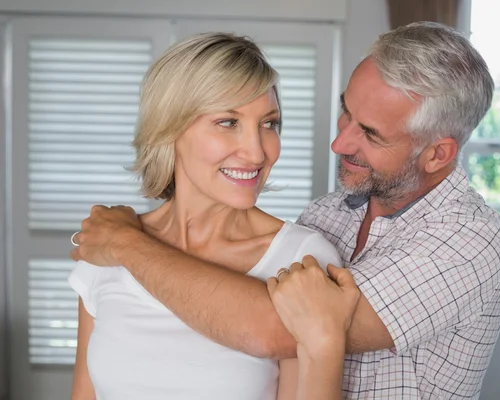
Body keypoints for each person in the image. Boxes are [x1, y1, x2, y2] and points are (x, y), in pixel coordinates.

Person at [71, 21, 500, 399]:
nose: (338, 143)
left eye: (370, 133)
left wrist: (128, 245)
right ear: (167, 127)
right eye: (346, 113)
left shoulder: (470, 245)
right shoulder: (329, 215)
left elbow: (273, 330)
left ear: (437, 155)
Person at [68, 32, 355, 400]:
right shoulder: (105, 248)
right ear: (169, 128)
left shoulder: (299, 259)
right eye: (228, 122)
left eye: (269, 124)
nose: (256, 153)